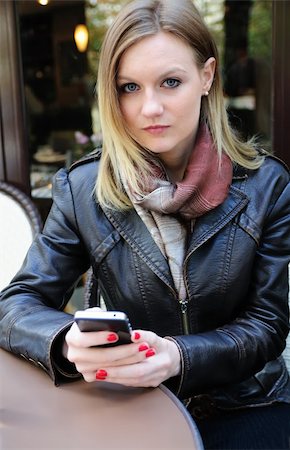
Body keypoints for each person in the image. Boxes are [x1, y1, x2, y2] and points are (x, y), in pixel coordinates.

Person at [0, 0, 289, 448]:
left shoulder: (268, 184)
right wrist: (62, 342)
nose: (149, 107)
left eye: (170, 82)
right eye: (129, 87)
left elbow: (268, 324)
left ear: (207, 76)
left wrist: (177, 355)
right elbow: (16, 304)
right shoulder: (83, 190)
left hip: (247, 399)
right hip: (130, 401)